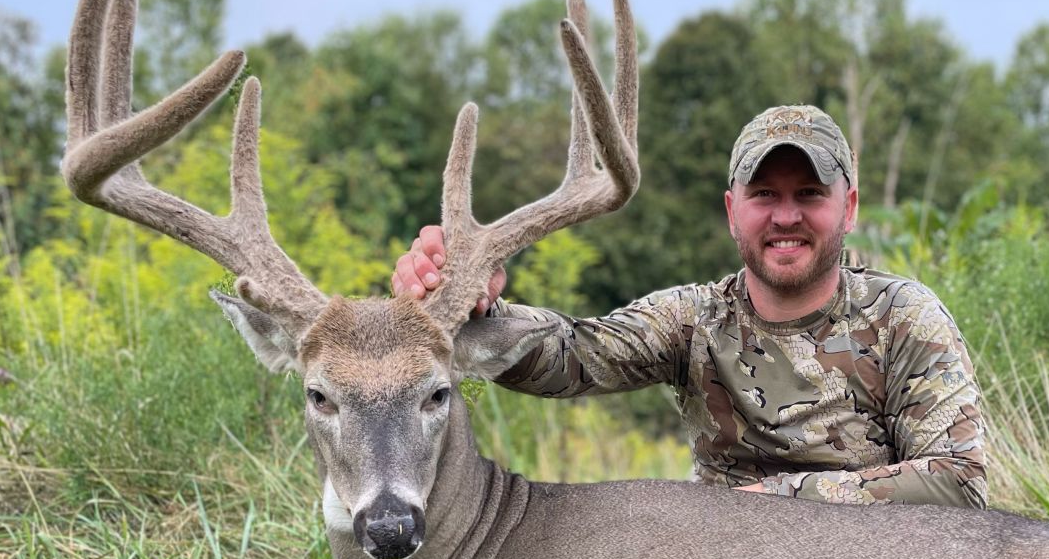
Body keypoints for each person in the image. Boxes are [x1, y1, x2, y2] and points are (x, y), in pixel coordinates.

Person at [393, 105, 986, 507]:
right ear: (732, 211)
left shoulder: (902, 317)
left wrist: (768, 504)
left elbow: (958, 481)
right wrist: (474, 310)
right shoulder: (696, 319)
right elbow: (571, 355)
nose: (785, 216)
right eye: (764, 195)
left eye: (809, 194)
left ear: (849, 207)